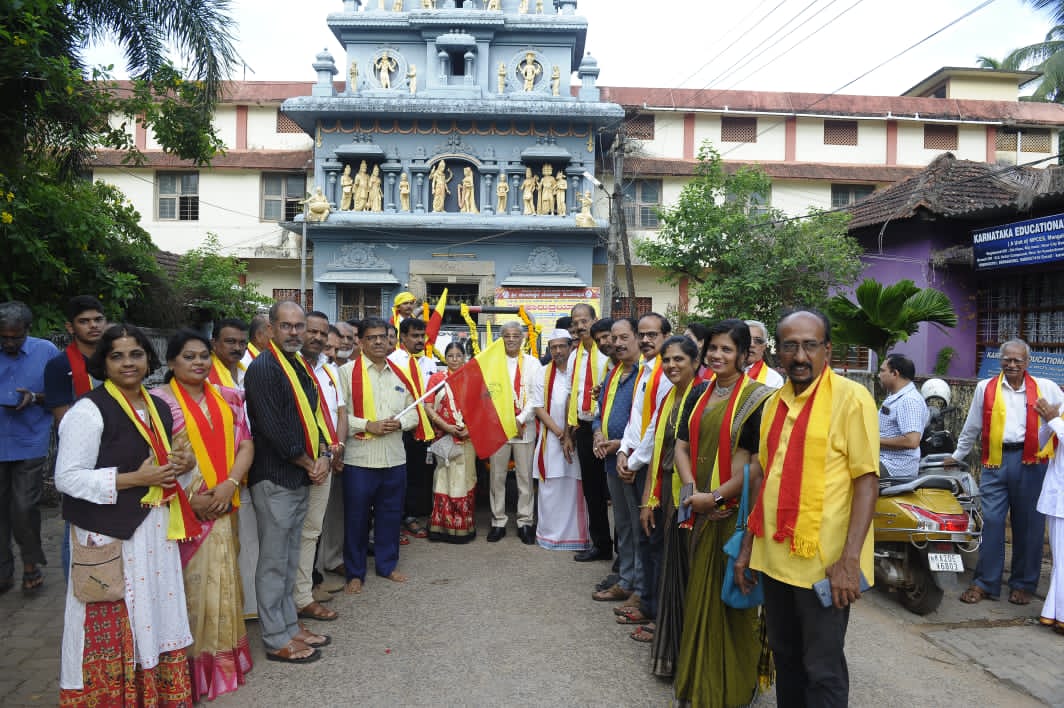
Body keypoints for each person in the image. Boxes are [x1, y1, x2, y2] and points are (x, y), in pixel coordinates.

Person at [735, 309, 879, 707]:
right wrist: (747, 547)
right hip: (775, 558)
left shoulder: (852, 399)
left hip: (825, 565)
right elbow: (765, 478)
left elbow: (867, 480)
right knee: (787, 658)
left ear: (827, 350)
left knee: (823, 668)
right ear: (776, 352)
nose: (800, 355)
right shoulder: (772, 404)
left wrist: (850, 560)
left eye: (810, 345)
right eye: (791, 346)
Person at [55, 323, 195, 703]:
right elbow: (66, 479)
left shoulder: (158, 406)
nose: (128, 363)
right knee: (114, 619)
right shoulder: (88, 410)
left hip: (153, 531)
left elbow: (164, 466)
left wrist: (184, 463)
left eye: (136, 354)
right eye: (117, 356)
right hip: (109, 535)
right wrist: (135, 478)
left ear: (149, 358)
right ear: (104, 362)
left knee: (154, 616)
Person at [672, 320, 775, 707]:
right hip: (697, 506)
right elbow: (681, 445)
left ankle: (732, 687)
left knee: (732, 600)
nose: (717, 355)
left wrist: (713, 497)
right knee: (699, 595)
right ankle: (700, 680)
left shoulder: (758, 400)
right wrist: (690, 492)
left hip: (733, 514)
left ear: (745, 355)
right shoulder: (699, 392)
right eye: (713, 348)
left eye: (727, 350)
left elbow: (755, 466)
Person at [150, 330, 254, 701]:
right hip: (182, 511)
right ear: (171, 362)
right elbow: (151, 461)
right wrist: (188, 500)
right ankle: (186, 667)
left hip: (224, 503)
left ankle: (221, 660)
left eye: (202, 356)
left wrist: (229, 484)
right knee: (190, 589)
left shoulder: (228, 398)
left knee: (224, 581)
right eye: (188, 357)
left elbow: (245, 443)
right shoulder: (159, 404)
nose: (198, 363)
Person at [243, 301, 331, 665]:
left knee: (291, 556)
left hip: (300, 473)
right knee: (275, 562)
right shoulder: (264, 368)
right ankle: (276, 636)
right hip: (276, 476)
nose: (294, 333)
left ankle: (290, 625)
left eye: (299, 326)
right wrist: (311, 462)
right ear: (271, 330)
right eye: (287, 326)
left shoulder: (299, 366)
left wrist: (324, 453)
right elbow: (273, 429)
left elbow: (314, 417)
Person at [952, 339, 1064, 605]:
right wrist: (957, 455)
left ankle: (1024, 583)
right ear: (1000, 360)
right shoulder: (985, 388)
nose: (1012, 365)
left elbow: (1060, 413)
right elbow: (972, 426)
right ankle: (985, 583)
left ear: (1027, 362)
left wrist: (1053, 426)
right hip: (996, 462)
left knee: (1029, 526)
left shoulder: (1045, 388)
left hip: (1033, 464)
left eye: (1018, 360)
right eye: (1007, 360)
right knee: (991, 522)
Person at [336, 318, 420, 593]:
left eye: (383, 337)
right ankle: (355, 572)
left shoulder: (401, 373)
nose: (379, 342)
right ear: (360, 342)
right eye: (372, 338)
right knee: (357, 518)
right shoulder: (347, 373)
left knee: (390, 515)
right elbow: (338, 414)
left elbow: (414, 412)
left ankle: (387, 565)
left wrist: (401, 423)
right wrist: (366, 425)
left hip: (394, 458)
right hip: (359, 460)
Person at [643, 336, 706, 669]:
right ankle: (673, 646)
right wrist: (647, 500)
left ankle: (687, 649)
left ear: (696, 362)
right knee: (671, 566)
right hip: (666, 487)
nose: (671, 366)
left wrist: (689, 498)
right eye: (667, 360)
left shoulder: (701, 395)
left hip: (691, 491)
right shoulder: (669, 395)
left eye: (679, 359)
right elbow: (658, 448)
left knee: (686, 567)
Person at [616, 313, 673, 621]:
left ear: (666, 336)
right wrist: (624, 450)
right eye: (642, 334)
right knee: (639, 534)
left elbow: (656, 427)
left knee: (651, 538)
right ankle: (641, 593)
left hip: (651, 468)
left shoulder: (667, 371)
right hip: (634, 461)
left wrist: (634, 460)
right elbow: (635, 419)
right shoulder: (645, 370)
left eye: (653, 334)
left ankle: (648, 602)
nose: (646, 340)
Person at [0, 301, 57, 595]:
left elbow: (62, 395)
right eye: (3, 337)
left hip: (29, 441)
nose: (9, 342)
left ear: (28, 331)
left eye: (15, 337)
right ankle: (3, 570)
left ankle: (31, 564)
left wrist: (35, 397)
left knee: (23, 508)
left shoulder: (46, 351)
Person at [293, 311, 347, 623]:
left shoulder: (328, 372)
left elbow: (339, 412)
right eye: (308, 330)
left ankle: (303, 595)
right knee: (288, 534)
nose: (315, 337)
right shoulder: (287, 369)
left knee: (311, 531)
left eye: (321, 333)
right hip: (294, 463)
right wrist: (308, 459)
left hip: (324, 460)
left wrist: (334, 450)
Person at [591, 318, 643, 602]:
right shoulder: (614, 373)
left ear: (636, 338)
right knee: (622, 525)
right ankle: (625, 580)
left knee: (638, 527)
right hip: (611, 461)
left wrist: (621, 445)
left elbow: (648, 423)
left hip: (634, 463)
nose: (618, 343)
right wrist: (598, 433)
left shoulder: (646, 374)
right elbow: (599, 411)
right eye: (614, 338)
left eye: (624, 337)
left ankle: (639, 586)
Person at [532, 329, 589, 551]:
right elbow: (538, 406)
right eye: (553, 347)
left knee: (574, 486)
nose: (557, 351)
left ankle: (577, 537)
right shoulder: (542, 373)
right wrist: (560, 434)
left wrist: (571, 435)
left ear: (570, 347)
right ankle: (550, 536)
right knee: (551, 488)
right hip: (552, 438)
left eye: (561, 346)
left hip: (576, 437)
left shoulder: (580, 373)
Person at [487, 322, 543, 544]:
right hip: (498, 428)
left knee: (524, 478)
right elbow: (487, 394)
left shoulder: (533, 363)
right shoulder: (493, 363)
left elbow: (536, 397)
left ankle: (525, 522)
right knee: (496, 477)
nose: (511, 339)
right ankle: (498, 521)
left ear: (523, 339)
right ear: (501, 338)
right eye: (507, 335)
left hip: (524, 429)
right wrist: (504, 420)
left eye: (515, 335)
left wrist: (519, 419)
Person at [566, 304, 613, 561]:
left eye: (585, 320)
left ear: (595, 320)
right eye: (576, 321)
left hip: (607, 427)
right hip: (584, 427)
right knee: (592, 490)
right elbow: (570, 394)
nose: (581, 325)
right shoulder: (575, 355)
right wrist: (569, 430)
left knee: (615, 491)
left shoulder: (606, 352)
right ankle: (601, 545)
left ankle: (623, 552)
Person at [389, 318, 438, 539]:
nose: (420, 340)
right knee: (397, 476)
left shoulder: (429, 363)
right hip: (398, 429)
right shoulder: (393, 361)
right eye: (415, 336)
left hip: (422, 428)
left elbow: (433, 396)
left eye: (422, 336)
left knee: (417, 474)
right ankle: (393, 519)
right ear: (403, 337)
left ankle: (410, 515)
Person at [424, 342, 477, 542]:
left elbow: (481, 408)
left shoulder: (472, 378)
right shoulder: (437, 379)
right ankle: (441, 527)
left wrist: (468, 429)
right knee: (443, 478)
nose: (455, 359)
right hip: (443, 437)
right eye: (451, 355)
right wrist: (445, 426)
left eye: (458, 355)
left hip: (467, 438)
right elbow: (428, 406)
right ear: (445, 358)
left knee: (465, 478)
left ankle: (463, 527)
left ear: (464, 357)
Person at [43, 296, 106, 422]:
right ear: (70, 327)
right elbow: (63, 420)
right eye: (84, 321)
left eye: (98, 319)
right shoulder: (59, 366)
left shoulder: (116, 359)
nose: (93, 325)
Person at [1034, 394, 1064, 635]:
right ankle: (1054, 614)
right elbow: (1044, 441)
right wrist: (1046, 421)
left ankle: (1055, 614)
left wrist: (1054, 419)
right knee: (1060, 561)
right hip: (1057, 493)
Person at [878, 353, 928, 479]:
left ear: (895, 373)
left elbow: (912, 440)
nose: (879, 375)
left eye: (882, 371)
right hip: (884, 460)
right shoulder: (896, 396)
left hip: (894, 467)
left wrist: (873, 441)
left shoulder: (909, 400)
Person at [209, 317, 249, 389]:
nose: (237, 348)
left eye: (242, 343)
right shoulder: (203, 375)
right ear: (214, 343)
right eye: (230, 341)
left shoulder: (248, 373)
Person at [745, 320, 785, 389]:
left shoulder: (774, 380)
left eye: (758, 340)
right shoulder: (723, 372)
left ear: (764, 347)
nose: (751, 344)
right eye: (746, 339)